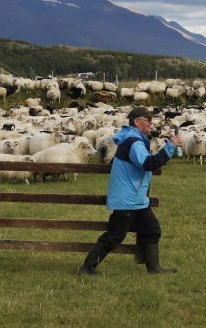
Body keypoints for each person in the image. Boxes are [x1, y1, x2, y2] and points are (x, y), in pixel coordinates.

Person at [78, 106, 182, 276]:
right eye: (147, 121)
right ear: (137, 121)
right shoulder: (134, 142)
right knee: (114, 236)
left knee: (152, 230)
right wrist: (170, 147)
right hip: (128, 198)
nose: (150, 124)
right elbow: (148, 164)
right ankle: (87, 268)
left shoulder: (134, 139)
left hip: (136, 199)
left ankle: (154, 268)